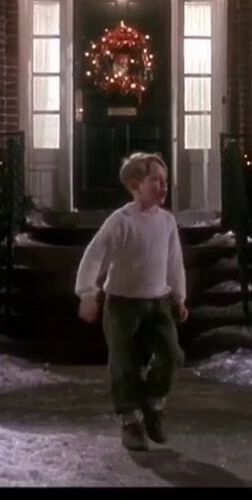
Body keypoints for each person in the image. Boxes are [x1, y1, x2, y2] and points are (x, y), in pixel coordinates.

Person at [74, 152, 189, 451]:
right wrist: (88, 293)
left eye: (165, 181)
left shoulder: (167, 222)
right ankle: (130, 420)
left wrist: (179, 296)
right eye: (155, 181)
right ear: (136, 184)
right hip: (122, 305)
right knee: (124, 363)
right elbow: (95, 255)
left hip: (158, 303)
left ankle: (153, 403)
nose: (163, 186)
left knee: (171, 355)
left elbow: (174, 261)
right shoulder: (121, 221)